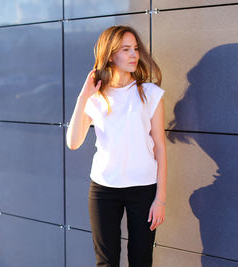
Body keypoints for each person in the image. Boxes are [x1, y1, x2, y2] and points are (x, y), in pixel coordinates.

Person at [66, 25, 167, 267]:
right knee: (106, 262)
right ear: (111, 55)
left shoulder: (150, 94)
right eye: (126, 49)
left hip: (143, 189)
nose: (134, 54)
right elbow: (73, 142)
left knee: (141, 261)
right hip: (103, 189)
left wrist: (160, 199)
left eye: (135, 49)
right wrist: (83, 96)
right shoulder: (95, 97)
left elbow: (161, 148)